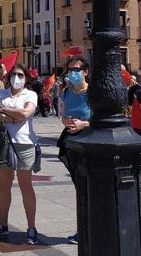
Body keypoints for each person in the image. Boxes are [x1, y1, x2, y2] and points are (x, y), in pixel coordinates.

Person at [0, 64, 41, 245]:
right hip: (3, 144)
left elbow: (26, 113)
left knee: (26, 186)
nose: (16, 78)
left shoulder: (30, 94)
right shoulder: (1, 93)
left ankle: (31, 228)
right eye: (13, 75)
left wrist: (4, 111)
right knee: (4, 186)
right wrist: (11, 117)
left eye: (20, 75)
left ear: (26, 78)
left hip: (24, 144)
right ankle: (3, 224)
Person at [57, 57, 92, 245]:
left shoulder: (93, 93)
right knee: (80, 188)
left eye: (77, 69)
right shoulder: (66, 92)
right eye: (70, 69)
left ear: (86, 72)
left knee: (87, 188)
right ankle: (83, 229)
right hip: (71, 143)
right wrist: (66, 121)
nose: (73, 73)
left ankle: (88, 229)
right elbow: (62, 114)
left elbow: (105, 119)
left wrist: (84, 123)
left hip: (89, 142)